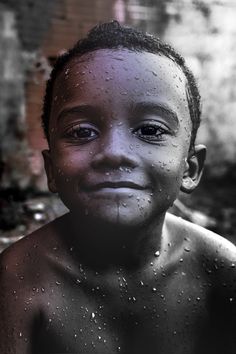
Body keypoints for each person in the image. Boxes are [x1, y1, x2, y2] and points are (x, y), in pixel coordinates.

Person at [0, 21, 236, 354]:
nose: (114, 152)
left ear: (190, 168)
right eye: (82, 132)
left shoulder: (222, 271)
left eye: (150, 130)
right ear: (51, 169)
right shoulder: (18, 279)